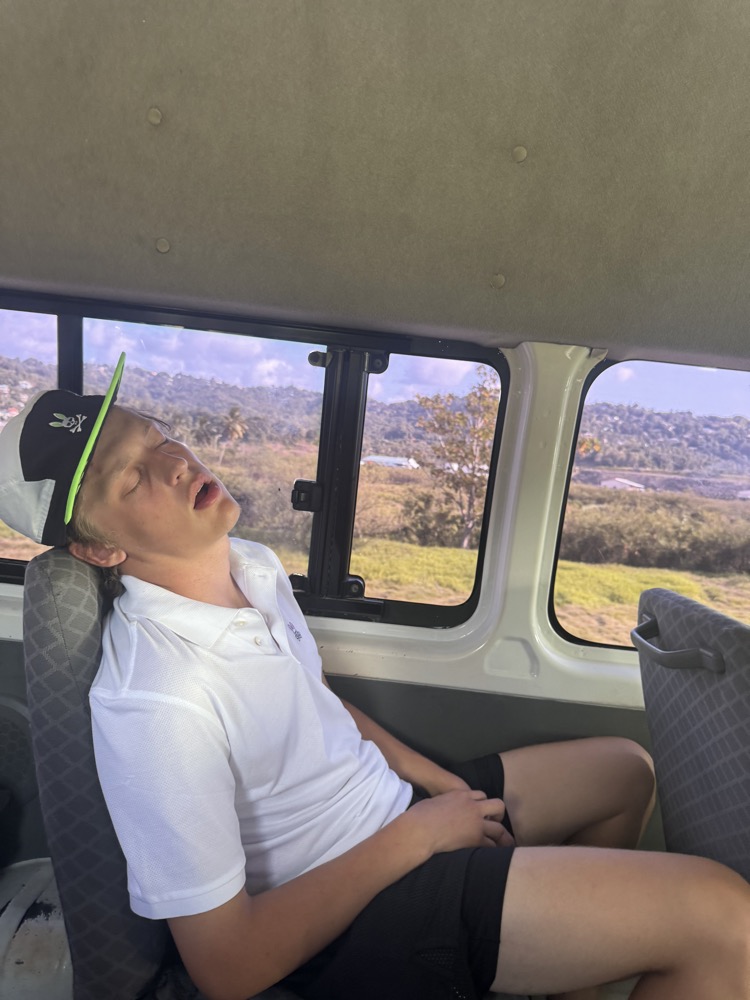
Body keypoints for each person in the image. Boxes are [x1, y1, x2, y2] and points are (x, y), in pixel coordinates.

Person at [0, 354, 747, 1000]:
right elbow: (227, 967)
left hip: (391, 814)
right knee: (724, 920)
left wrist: (440, 788)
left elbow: (314, 700)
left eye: (159, 438)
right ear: (99, 551)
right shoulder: (157, 700)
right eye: (132, 479)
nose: (174, 464)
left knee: (624, 771)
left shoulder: (250, 567)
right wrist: (420, 838)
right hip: (356, 916)